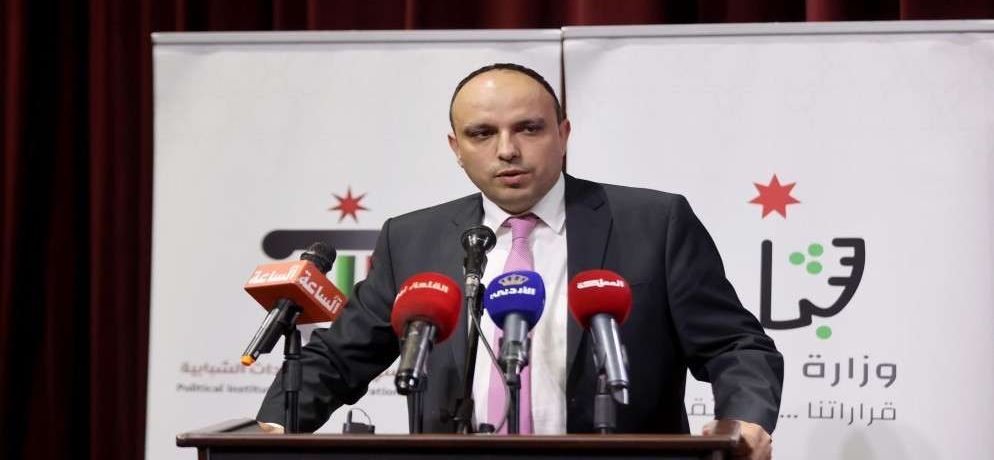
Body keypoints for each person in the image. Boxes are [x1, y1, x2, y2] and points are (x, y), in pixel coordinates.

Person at [258, 63, 782, 460]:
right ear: (456, 147)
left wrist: (745, 418)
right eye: (482, 134)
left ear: (564, 134)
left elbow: (735, 345)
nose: (507, 150)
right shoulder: (412, 239)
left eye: (529, 129)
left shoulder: (653, 223)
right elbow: (339, 358)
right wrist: (274, 427)